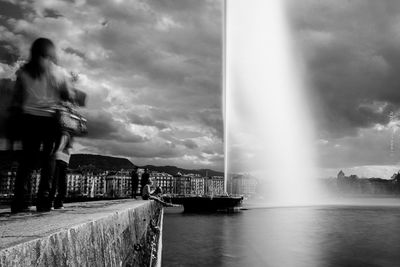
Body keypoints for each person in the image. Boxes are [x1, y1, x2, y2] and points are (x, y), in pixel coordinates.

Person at [9, 38, 73, 213]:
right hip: (50, 120)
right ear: (51, 53)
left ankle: (20, 200)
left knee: (27, 161)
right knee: (49, 158)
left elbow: (17, 98)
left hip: (28, 119)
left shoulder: (24, 72)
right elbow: (67, 96)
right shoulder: (58, 73)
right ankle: (44, 199)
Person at [49, 132, 72, 209]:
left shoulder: (60, 132)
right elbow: (69, 148)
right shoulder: (68, 134)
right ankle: (59, 202)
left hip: (57, 157)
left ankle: (50, 201)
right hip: (65, 158)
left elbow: (58, 146)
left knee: (54, 180)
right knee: (62, 181)